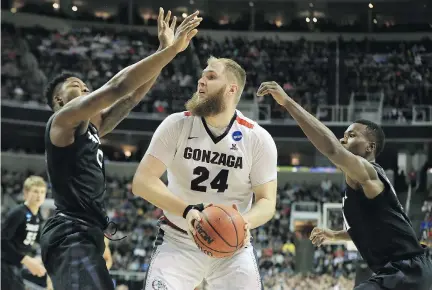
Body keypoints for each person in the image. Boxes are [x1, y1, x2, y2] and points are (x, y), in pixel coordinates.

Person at [39, 9, 202, 290]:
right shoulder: (62, 122)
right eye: (77, 86)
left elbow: (131, 96)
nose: (86, 87)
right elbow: (116, 87)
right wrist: (172, 50)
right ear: (59, 99)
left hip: (87, 232)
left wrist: (164, 51)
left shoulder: (91, 129)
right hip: (69, 233)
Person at [257, 81, 432, 290]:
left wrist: (287, 103)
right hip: (401, 273)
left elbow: (331, 148)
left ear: (370, 146)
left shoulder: (370, 172)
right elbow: (373, 230)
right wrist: (334, 235)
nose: (343, 139)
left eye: (351, 135)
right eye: (344, 135)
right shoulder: (360, 187)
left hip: (407, 273)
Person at [132, 56, 278, 290]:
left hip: (232, 247)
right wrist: (186, 210)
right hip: (178, 239)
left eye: (211, 77)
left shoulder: (257, 138)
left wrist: (243, 222)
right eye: (202, 76)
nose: (201, 81)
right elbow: (142, 182)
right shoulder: (176, 124)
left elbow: (267, 201)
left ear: (232, 89)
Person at [1, 176, 47, 290]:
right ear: (25, 193)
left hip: (16, 264)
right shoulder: (18, 213)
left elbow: (38, 238)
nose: (39, 195)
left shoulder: (36, 216)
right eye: (35, 191)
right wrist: (26, 260)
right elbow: (2, 241)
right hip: (5, 263)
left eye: (42, 192)